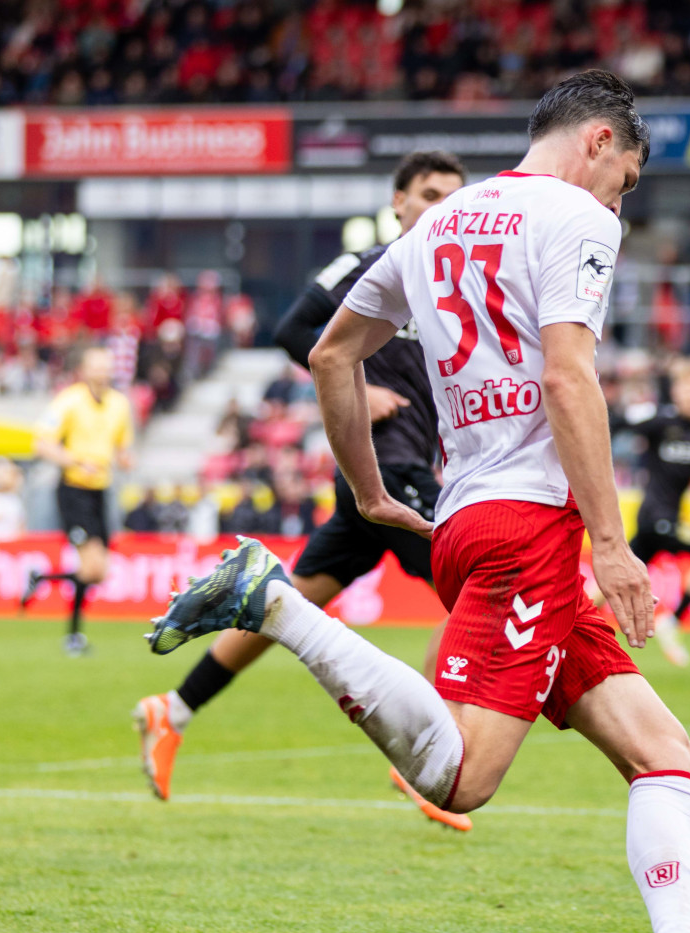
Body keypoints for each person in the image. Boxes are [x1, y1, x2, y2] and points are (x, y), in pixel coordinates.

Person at [142, 71, 690, 933]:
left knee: (662, 753)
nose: (622, 201)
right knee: (461, 778)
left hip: (468, 516)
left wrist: (366, 493)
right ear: (602, 142)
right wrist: (612, 545)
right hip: (528, 530)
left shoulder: (436, 225)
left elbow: (330, 356)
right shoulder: (576, 217)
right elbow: (570, 378)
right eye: (629, 179)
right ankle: (276, 603)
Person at [130, 151, 469, 826]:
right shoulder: (370, 264)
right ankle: (434, 751)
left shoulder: (451, 286)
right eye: (428, 195)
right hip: (384, 466)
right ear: (397, 201)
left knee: (288, 603)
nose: (441, 209)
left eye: (453, 199)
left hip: (393, 472)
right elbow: (292, 331)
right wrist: (357, 387)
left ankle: (175, 708)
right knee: (473, 595)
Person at [603, 359, 690, 666]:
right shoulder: (660, 421)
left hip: (667, 519)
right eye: (688, 387)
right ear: (675, 390)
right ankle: (671, 622)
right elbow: (616, 424)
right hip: (655, 517)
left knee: (611, 583)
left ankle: (568, 621)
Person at [20, 348, 133, 656]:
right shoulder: (69, 400)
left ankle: (41, 579)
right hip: (73, 490)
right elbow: (41, 443)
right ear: (84, 370)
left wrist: (124, 458)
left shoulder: (120, 405)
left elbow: (122, 444)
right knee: (91, 566)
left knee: (98, 572)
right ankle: (73, 638)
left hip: (101, 491)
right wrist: (74, 461)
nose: (102, 372)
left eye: (106, 366)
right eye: (96, 366)